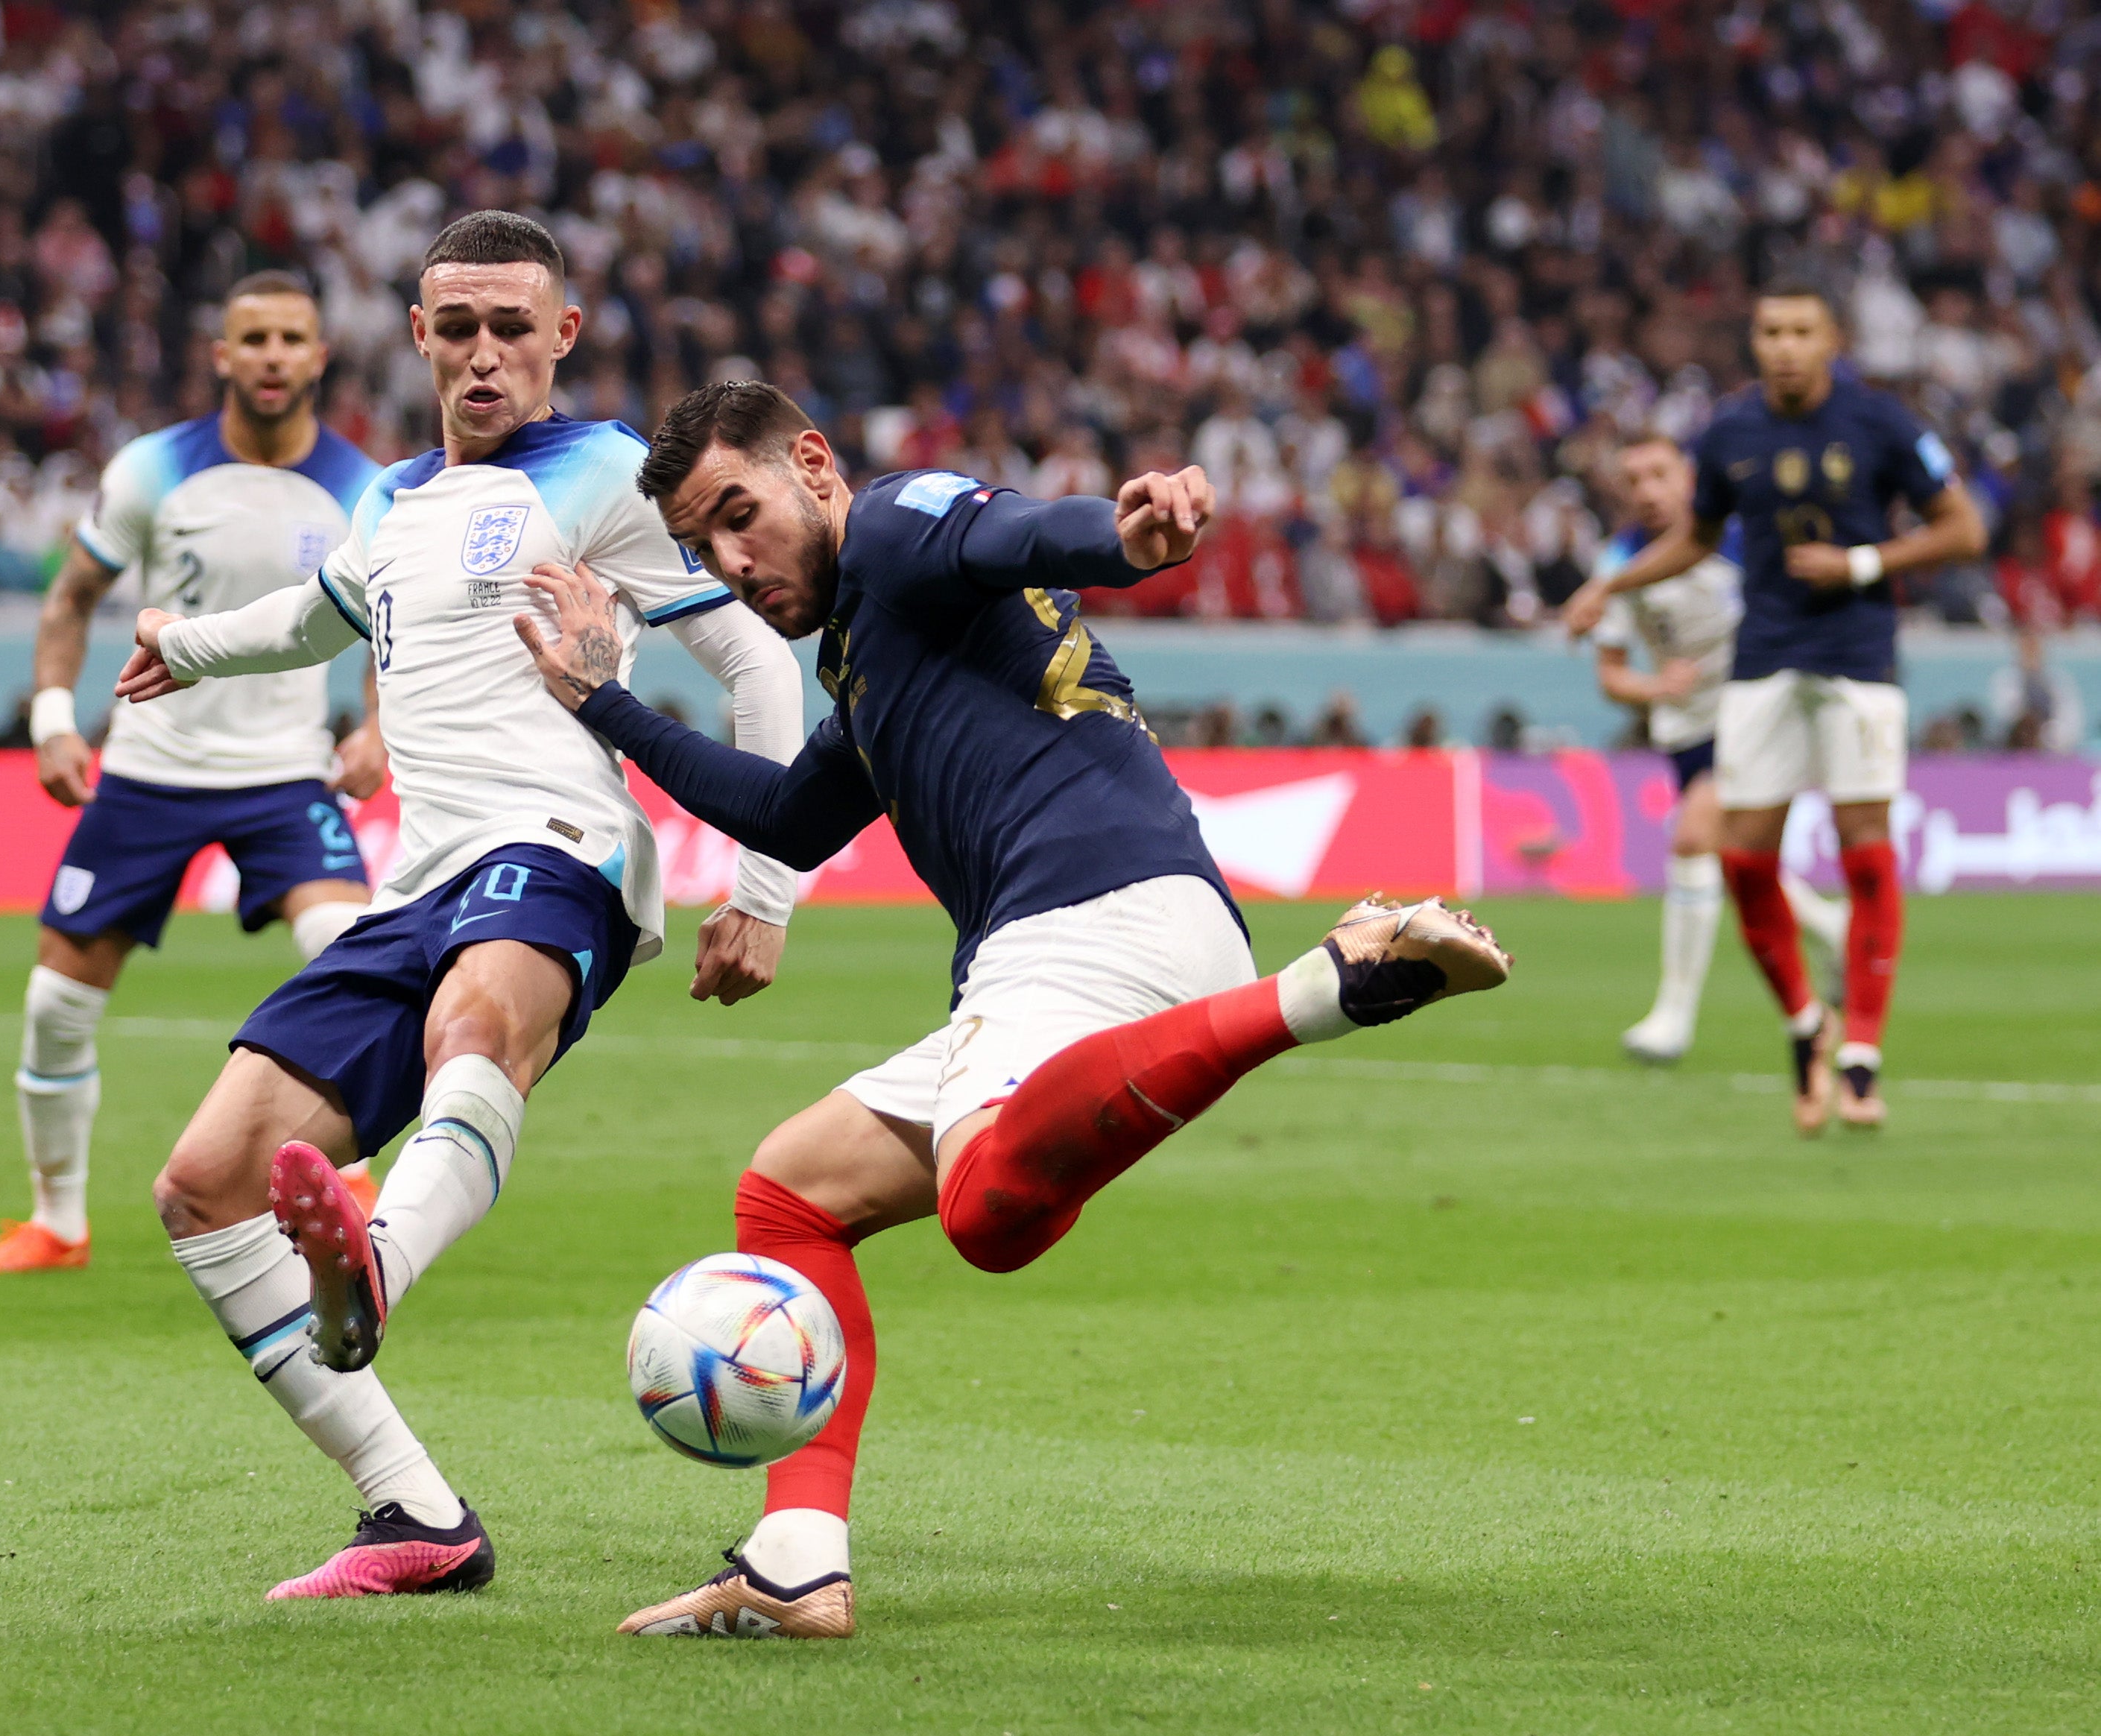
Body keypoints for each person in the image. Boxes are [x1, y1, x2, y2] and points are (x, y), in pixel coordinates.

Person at [510, 380, 1513, 1640]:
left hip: (1094, 909)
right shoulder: (872, 648)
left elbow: (1016, 533)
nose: (729, 562)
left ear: (810, 464)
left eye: (738, 515)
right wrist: (603, 702)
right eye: (700, 546)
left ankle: (1333, 982)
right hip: (1077, 934)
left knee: (986, 1211)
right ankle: (796, 1561)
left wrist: (1126, 535)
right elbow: (785, 815)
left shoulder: (890, 529)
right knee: (792, 1192)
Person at [108, 213, 806, 1599]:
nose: (485, 355)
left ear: (564, 336)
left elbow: (759, 665)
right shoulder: (394, 499)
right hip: (416, 878)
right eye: (458, 327)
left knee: (473, 1025)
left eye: (512, 327)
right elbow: (315, 618)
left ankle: (375, 1258)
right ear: (419, 335)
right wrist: (183, 645)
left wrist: (766, 889)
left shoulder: (609, 473)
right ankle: (413, 1514)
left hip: (559, 846)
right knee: (202, 1187)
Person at [0, 271, 387, 1278]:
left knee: (346, 944)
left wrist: (381, 728)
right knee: (55, 1005)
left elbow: (388, 617)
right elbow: (70, 597)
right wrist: (56, 721)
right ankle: (57, 1223)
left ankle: (354, 1182)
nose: (274, 355)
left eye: (292, 338)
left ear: (319, 355)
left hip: (285, 770)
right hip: (150, 769)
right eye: (255, 339)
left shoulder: (366, 485)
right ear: (223, 355)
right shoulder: (153, 469)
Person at [1567, 281, 1986, 1132]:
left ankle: (1860, 1054)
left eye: (1801, 329)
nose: (1785, 345)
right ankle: (1803, 1022)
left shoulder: (1883, 423)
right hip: (1760, 667)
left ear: (1830, 336)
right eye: (1769, 331)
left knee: (1863, 848)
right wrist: (1609, 582)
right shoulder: (1726, 432)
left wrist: (1862, 565)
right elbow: (1691, 536)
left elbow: (1963, 529)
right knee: (1741, 858)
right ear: (1753, 341)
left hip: (1857, 661)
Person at [1572, 432, 1846, 1064]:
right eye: (1633, 479)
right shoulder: (1618, 565)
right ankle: (1831, 928)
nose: (1647, 491)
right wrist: (1655, 686)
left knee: (1694, 836)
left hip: (1759, 710)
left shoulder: (1741, 541)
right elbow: (1610, 678)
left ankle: (1673, 1018)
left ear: (1689, 479)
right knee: (1734, 859)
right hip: (1686, 732)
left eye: (1659, 475)